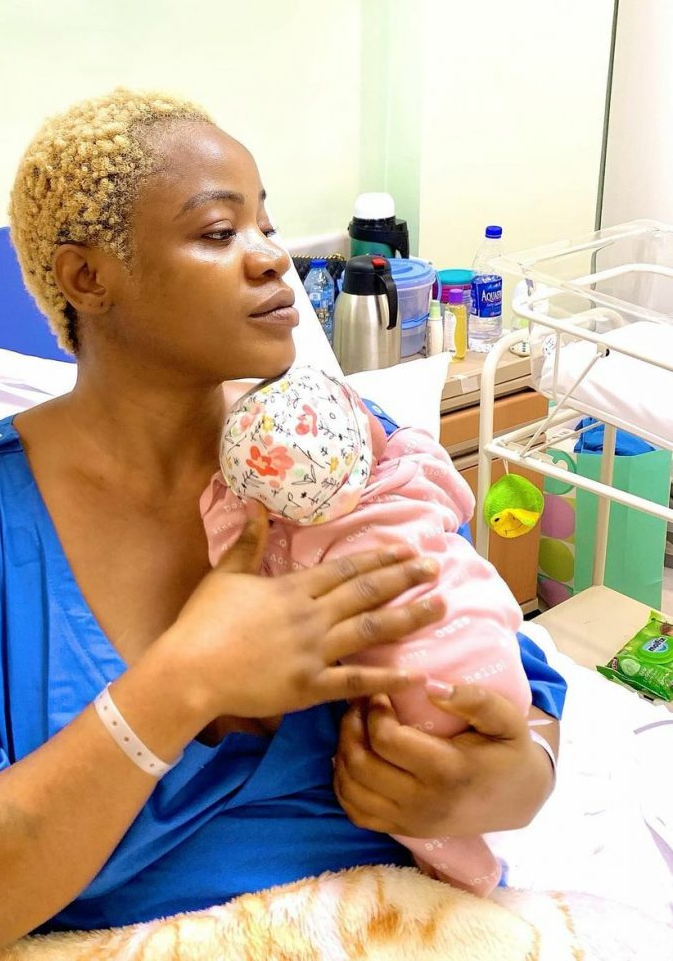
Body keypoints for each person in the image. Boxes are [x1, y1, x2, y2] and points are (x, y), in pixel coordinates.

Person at [0, 89, 565, 961]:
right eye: (219, 232)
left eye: (266, 226)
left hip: (394, 927)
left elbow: (506, 679)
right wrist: (183, 683)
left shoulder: (338, 446)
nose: (273, 258)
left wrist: (506, 785)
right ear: (87, 278)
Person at [202, 366, 532, 894]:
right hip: (492, 647)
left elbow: (236, 571)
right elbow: (459, 500)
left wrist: (224, 501)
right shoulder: (410, 474)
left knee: (407, 793)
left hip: (408, 702)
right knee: (424, 785)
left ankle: (469, 873)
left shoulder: (289, 545)